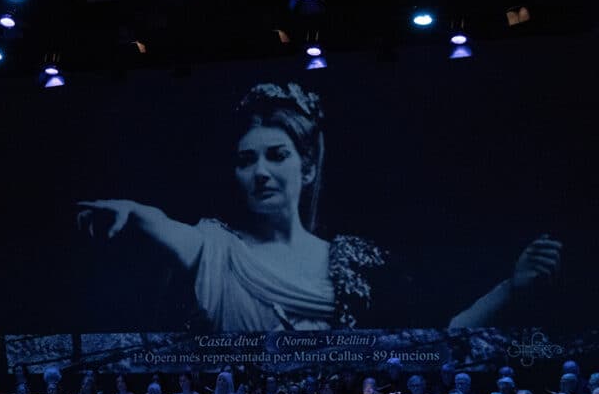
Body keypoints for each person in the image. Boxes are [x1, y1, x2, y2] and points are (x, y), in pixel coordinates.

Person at [76, 81, 561, 331]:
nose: (261, 171)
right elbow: (164, 225)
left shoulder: (355, 262)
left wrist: (509, 290)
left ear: (306, 168)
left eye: (277, 155)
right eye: (246, 160)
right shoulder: (215, 247)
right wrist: (132, 210)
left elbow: (438, 339)